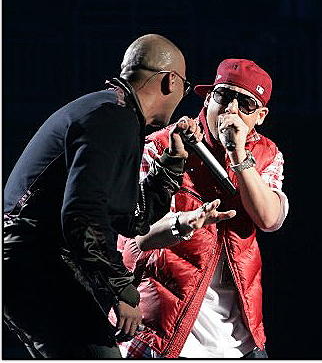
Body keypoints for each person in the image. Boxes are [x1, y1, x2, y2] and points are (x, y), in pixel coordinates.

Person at [3, 34, 203, 358]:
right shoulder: (111, 117)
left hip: (30, 261)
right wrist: (121, 288)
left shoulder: (115, 114)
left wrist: (172, 160)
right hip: (33, 261)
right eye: (185, 86)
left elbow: (130, 219)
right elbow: (82, 215)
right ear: (171, 81)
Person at [118, 58, 288, 358]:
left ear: (260, 116)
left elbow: (269, 218)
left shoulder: (266, 153)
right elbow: (136, 237)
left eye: (245, 104)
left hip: (241, 339)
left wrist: (238, 155)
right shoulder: (162, 146)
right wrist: (186, 221)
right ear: (208, 97)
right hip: (168, 333)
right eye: (224, 96)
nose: (231, 110)